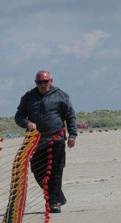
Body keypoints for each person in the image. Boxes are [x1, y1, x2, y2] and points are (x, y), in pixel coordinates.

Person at [15, 70, 77, 213]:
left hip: (57, 140)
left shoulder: (61, 95)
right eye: (39, 82)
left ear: (51, 81)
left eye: (45, 82)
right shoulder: (28, 97)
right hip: (36, 141)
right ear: (36, 83)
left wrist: (73, 135)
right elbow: (18, 116)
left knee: (55, 171)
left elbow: (70, 115)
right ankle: (58, 196)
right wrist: (27, 123)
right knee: (38, 171)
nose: (43, 85)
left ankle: (53, 202)